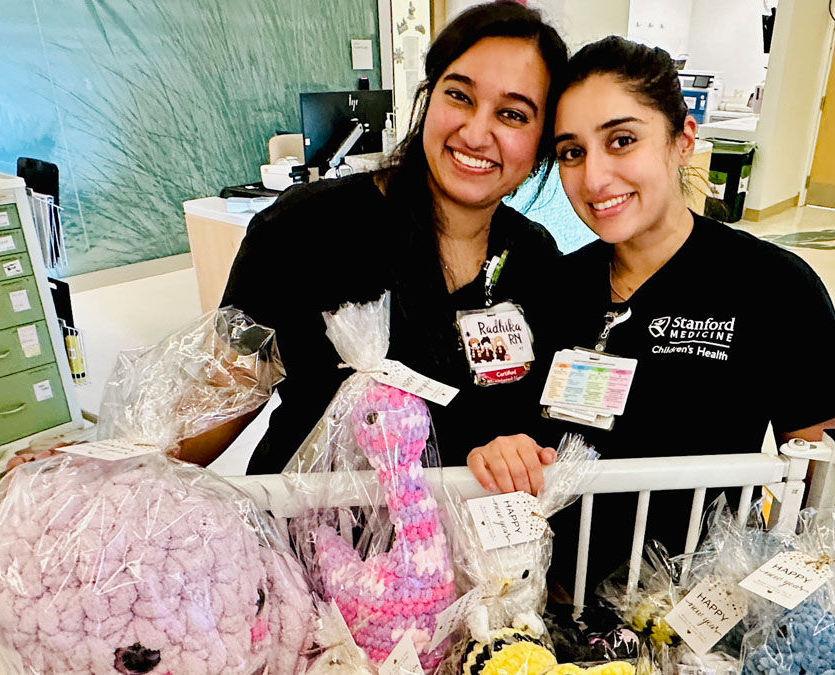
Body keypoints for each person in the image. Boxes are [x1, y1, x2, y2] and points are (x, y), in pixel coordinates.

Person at [472, 36, 835, 591]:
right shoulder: (554, 284)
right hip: (548, 594)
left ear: (683, 139)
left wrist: (827, 616)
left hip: (691, 609)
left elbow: (816, 487)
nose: (594, 178)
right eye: (572, 151)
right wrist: (499, 448)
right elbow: (507, 427)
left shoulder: (775, 287)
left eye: (622, 140)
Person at [174, 2, 568, 487]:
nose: (476, 131)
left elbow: (537, 423)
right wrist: (116, 463)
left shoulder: (537, 260)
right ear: (427, 99)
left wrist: (519, 449)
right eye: (459, 96)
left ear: (541, 143)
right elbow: (226, 391)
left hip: (457, 551)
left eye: (511, 114)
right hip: (303, 538)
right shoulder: (305, 227)